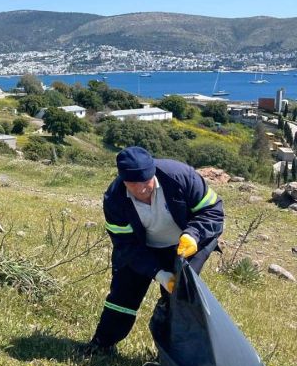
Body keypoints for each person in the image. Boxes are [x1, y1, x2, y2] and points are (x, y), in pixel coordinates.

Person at [87, 146, 224, 353]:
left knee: (178, 298)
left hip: (185, 247)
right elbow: (126, 246)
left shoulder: (180, 177)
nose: (141, 189)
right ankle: (102, 344)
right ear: (123, 180)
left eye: (146, 181)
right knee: (123, 293)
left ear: (153, 172)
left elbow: (212, 211)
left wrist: (193, 235)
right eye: (133, 184)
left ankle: (171, 358)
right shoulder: (114, 199)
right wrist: (159, 274)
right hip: (144, 248)